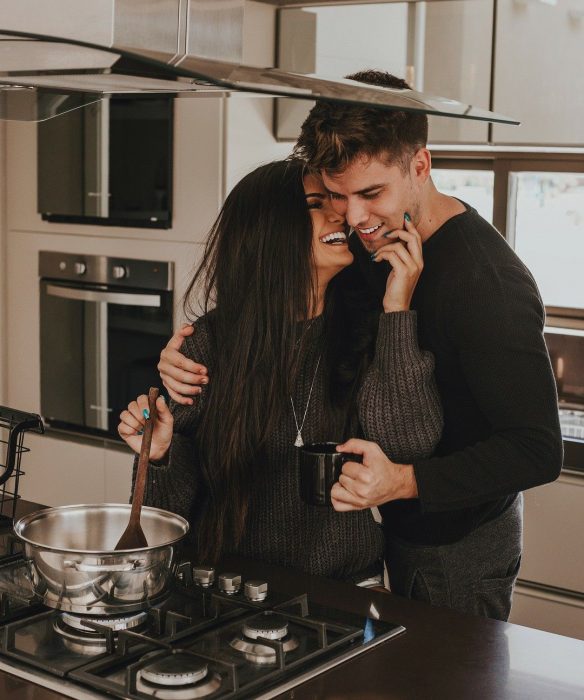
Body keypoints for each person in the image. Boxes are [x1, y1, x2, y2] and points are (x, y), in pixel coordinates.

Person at [159, 72, 563, 621]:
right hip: (377, 531)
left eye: (371, 194)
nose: (352, 218)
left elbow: (536, 449)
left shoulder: (488, 284)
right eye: (336, 195)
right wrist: (181, 365)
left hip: (453, 541)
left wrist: (404, 481)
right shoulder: (366, 237)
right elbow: (285, 307)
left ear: (420, 166)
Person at [119, 159, 442, 585]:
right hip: (233, 588)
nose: (340, 214)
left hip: (346, 587)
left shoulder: (366, 328)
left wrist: (397, 311)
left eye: (337, 201)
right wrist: (158, 453)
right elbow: (166, 514)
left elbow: (410, 444)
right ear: (270, 231)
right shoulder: (207, 345)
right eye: (316, 203)